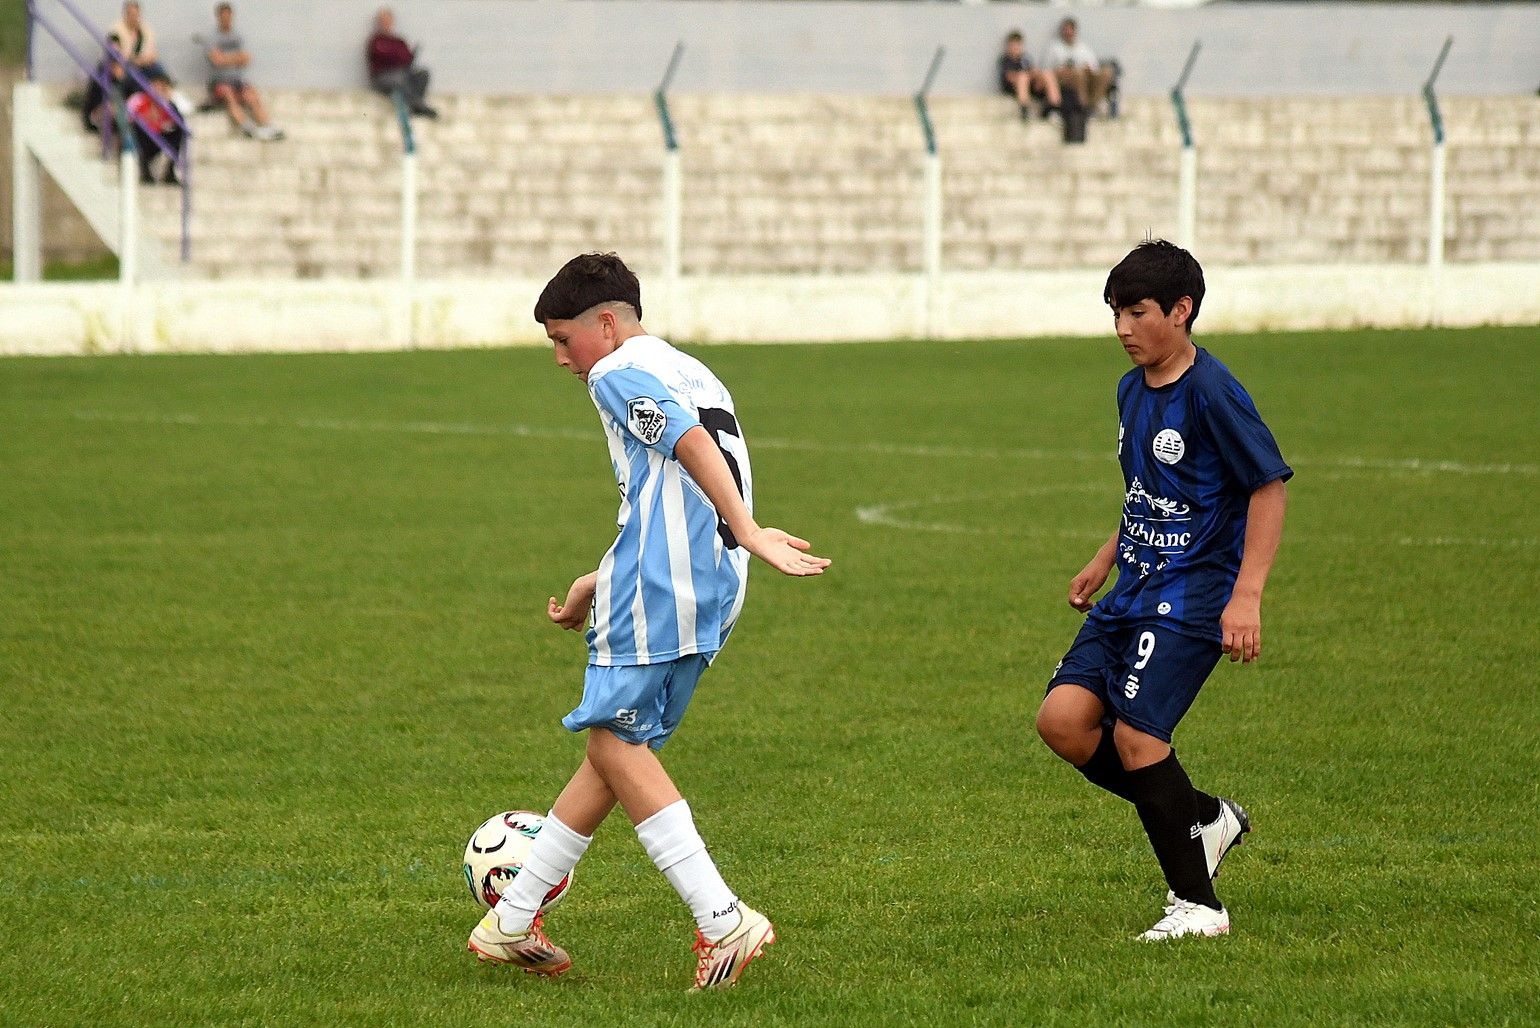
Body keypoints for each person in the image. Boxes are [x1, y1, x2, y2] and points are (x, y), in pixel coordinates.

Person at [465, 253, 831, 988]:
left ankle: (722, 920)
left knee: (615, 743)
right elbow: (673, 486)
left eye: (563, 339)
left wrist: (747, 527)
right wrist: (598, 579)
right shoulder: (692, 370)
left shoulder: (616, 372)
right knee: (615, 749)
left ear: (607, 324)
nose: (562, 358)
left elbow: (688, 445)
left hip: (662, 585)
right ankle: (511, 921)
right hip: (710, 583)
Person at [1034, 240, 1291, 941]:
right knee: (1063, 722)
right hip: (1135, 584)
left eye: (1137, 313)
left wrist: (1247, 595)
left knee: (1138, 735)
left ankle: (1199, 907)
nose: (1123, 328)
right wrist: (1105, 557)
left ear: (1181, 310)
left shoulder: (1212, 391)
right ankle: (1203, 818)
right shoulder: (1129, 389)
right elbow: (1150, 491)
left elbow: (1268, 487)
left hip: (1195, 592)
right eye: (1115, 313)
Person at [203, 2, 284, 140]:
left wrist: (225, 58)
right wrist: (235, 58)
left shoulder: (238, 36)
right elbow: (217, 60)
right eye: (223, 16)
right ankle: (247, 128)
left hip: (237, 81)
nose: (226, 19)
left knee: (252, 95)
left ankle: (267, 126)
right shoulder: (211, 37)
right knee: (229, 95)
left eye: (229, 16)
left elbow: (246, 58)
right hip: (220, 83)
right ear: (218, 17)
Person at [366, 7, 436, 119]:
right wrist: (397, 56)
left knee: (423, 73)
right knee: (399, 78)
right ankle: (416, 105)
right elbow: (387, 57)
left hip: (402, 74)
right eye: (383, 21)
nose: (386, 24)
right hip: (383, 77)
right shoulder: (376, 41)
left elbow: (407, 58)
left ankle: (417, 103)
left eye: (388, 21)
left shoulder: (399, 41)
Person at [1043, 18, 1118, 118]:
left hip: (1086, 77)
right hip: (1065, 80)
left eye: (1071, 30)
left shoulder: (1083, 47)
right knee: (1078, 74)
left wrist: (1088, 69)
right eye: (1066, 30)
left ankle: (1092, 106)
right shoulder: (1055, 48)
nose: (1068, 33)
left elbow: (1094, 67)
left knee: (1107, 72)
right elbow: (1046, 70)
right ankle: (1083, 106)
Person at [125, 72, 185, 185]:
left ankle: (169, 172)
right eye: (156, 86)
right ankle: (145, 171)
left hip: (159, 137)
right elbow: (128, 119)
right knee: (139, 128)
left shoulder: (168, 104)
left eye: (163, 87)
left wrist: (166, 103)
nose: (158, 90)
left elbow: (177, 122)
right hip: (142, 138)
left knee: (178, 132)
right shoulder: (139, 99)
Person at [997, 30, 1061, 122]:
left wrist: (1036, 77)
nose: (1016, 47)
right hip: (1013, 87)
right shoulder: (1005, 60)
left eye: (1018, 44)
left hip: (1029, 85)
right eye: (1013, 45)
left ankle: (1054, 107)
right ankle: (1024, 109)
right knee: (1023, 77)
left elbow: (1032, 71)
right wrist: (1026, 75)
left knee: (1047, 74)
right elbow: (1009, 77)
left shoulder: (1025, 58)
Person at [109, 1, 168, 86]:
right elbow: (115, 54)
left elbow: (153, 53)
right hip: (125, 66)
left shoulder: (145, 30)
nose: (133, 18)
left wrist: (145, 59)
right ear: (125, 14)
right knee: (127, 75)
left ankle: (170, 90)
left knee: (159, 70)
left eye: (136, 15)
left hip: (144, 65)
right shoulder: (116, 31)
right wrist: (134, 59)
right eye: (131, 14)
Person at [81, 33, 128, 133]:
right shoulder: (101, 70)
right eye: (111, 51)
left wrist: (121, 78)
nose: (114, 54)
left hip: (118, 109)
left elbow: (129, 92)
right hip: (98, 111)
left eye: (116, 50)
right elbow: (96, 97)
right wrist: (116, 77)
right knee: (115, 109)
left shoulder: (125, 67)